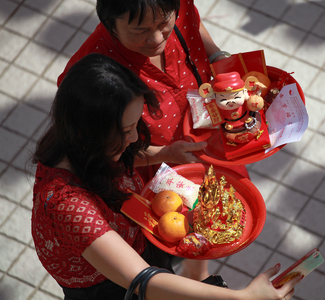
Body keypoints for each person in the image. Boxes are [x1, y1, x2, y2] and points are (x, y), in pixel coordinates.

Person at [31, 53, 301, 300]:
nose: (135, 138)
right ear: (89, 133)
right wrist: (244, 298)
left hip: (140, 243)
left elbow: (111, 158)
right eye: (125, 132)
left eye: (136, 125)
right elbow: (142, 280)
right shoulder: (65, 205)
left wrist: (165, 154)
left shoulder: (81, 145)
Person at [57, 0, 248, 280]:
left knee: (218, 222)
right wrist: (163, 154)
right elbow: (98, 151)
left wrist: (217, 55)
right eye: (140, 30)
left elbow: (192, 24)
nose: (157, 38)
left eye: (163, 24)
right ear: (110, 25)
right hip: (156, 173)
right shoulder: (92, 76)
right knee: (176, 236)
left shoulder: (176, 6)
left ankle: (198, 270)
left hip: (210, 136)